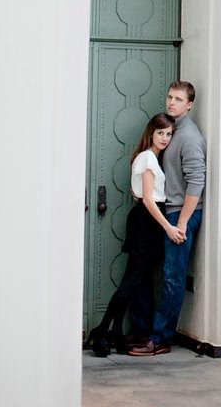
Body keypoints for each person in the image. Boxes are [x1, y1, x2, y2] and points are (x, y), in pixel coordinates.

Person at [85, 113, 183, 357]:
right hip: (147, 222)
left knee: (135, 280)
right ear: (151, 133)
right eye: (160, 133)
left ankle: (115, 330)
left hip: (148, 220)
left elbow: (144, 194)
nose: (165, 138)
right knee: (131, 282)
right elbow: (149, 200)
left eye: (169, 134)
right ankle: (101, 329)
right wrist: (169, 228)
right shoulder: (148, 158)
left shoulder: (151, 159)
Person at [128, 80, 205, 357]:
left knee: (173, 277)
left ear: (189, 105)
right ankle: (142, 331)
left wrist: (182, 222)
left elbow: (197, 182)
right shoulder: (170, 131)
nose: (171, 102)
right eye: (170, 97)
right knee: (148, 272)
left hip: (179, 215)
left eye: (178, 99)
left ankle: (160, 339)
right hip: (163, 212)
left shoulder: (190, 137)